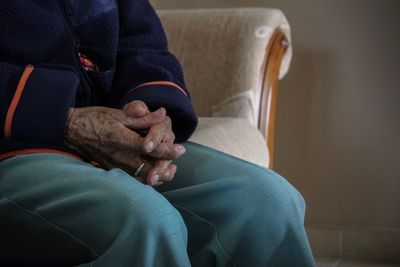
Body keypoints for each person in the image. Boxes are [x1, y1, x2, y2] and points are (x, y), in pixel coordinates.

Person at [0, 0, 315, 266]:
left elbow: (143, 45)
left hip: (115, 124)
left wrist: (151, 112)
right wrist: (65, 119)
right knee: (145, 221)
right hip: (15, 145)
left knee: (267, 200)